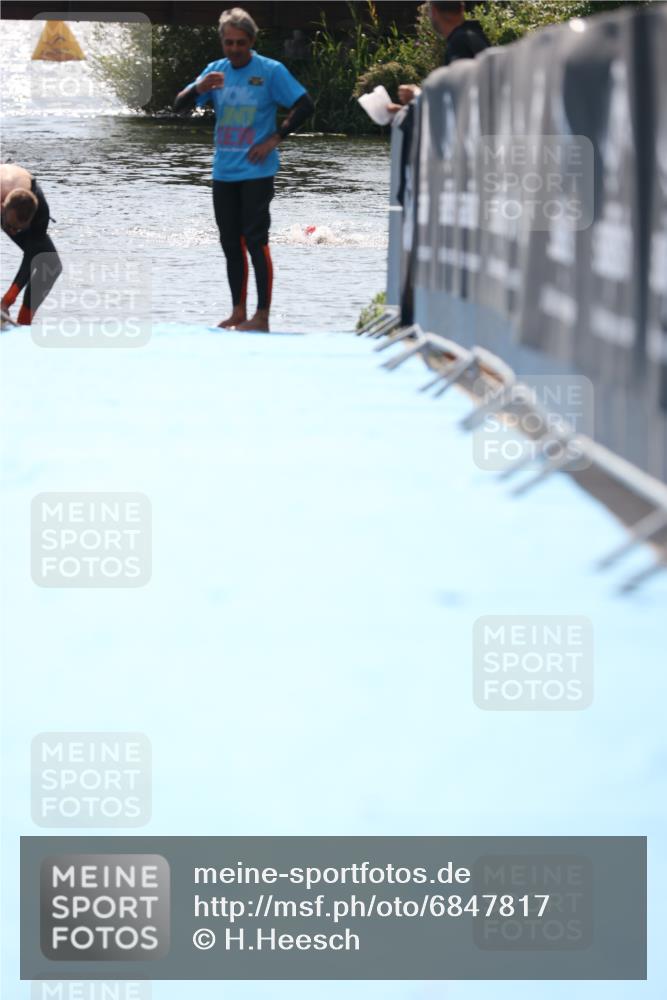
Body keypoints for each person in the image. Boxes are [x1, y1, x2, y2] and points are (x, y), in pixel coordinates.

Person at [174, 7, 314, 332]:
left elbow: (305, 104)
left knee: (255, 240)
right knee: (229, 243)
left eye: (240, 42)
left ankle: (261, 316)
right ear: (222, 43)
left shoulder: (270, 71)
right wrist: (199, 88)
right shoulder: (216, 71)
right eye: (229, 43)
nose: (234, 49)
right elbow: (179, 104)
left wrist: (275, 138)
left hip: (257, 170)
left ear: (251, 41)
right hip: (224, 172)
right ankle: (238, 312)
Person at [389, 1, 490, 111]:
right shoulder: (476, 36)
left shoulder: (459, 44)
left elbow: (456, 102)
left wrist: (417, 96)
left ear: (434, 11)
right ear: (462, 8)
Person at [1, 163, 62, 325]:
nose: (13, 232)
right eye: (10, 227)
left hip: (23, 188)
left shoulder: (40, 212)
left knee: (50, 265)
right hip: (4, 191)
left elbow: (33, 255)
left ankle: (24, 323)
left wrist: (7, 300)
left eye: (18, 229)